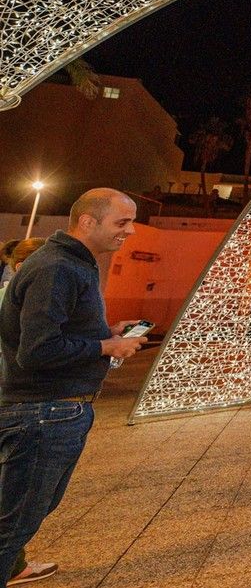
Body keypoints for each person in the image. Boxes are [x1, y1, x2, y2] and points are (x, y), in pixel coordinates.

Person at [0, 189, 148, 586]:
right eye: (122, 223)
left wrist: (106, 332)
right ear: (88, 221)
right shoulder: (58, 267)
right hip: (45, 411)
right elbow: (37, 349)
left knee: (26, 512)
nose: (130, 232)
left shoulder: (70, 264)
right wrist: (107, 345)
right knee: (15, 522)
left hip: (55, 409)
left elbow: (55, 331)